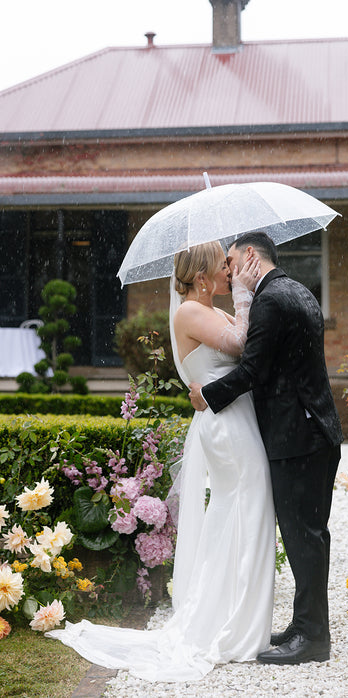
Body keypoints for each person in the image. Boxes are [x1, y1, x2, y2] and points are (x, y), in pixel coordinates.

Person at [46, 241, 276, 682]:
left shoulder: (212, 309)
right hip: (225, 426)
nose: (230, 273)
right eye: (223, 267)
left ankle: (236, 614)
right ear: (202, 277)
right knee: (243, 506)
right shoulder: (189, 311)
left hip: (235, 417)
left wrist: (241, 301)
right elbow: (242, 343)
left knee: (247, 509)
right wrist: (246, 295)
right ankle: (229, 623)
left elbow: (247, 351)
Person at [189, 231, 343, 666]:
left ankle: (313, 638)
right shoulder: (296, 290)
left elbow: (253, 370)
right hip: (315, 432)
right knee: (308, 535)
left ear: (251, 255)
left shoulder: (270, 301)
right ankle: (305, 624)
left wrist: (207, 395)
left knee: (303, 537)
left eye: (232, 261)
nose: (229, 270)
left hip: (298, 438)